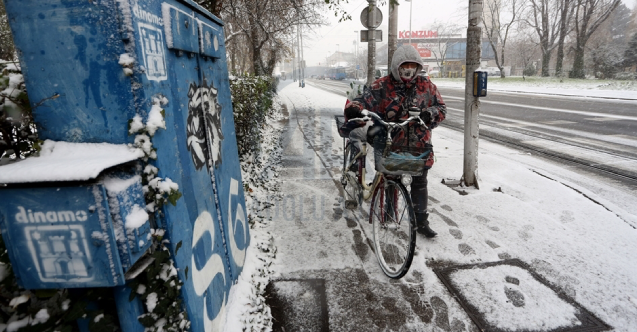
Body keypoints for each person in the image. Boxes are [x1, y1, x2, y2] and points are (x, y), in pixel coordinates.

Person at [343, 45, 446, 238]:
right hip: (389, 142)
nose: (408, 70)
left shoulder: (427, 86)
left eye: (412, 66)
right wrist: (355, 108)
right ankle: (389, 215)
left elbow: (441, 108)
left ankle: (421, 221)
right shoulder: (381, 85)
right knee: (390, 178)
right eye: (404, 65)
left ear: (418, 67)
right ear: (396, 66)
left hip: (418, 145)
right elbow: (363, 100)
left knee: (420, 182)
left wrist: (429, 113)